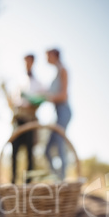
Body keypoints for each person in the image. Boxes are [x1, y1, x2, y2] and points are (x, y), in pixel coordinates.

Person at [7, 54, 43, 184]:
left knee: (29, 152)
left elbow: (40, 100)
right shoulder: (18, 80)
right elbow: (12, 100)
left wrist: (33, 101)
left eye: (29, 61)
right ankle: (13, 182)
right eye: (25, 61)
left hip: (30, 120)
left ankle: (28, 183)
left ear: (33, 62)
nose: (27, 64)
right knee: (14, 150)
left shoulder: (38, 83)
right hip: (18, 119)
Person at [44, 48, 71, 180]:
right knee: (47, 150)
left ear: (54, 55)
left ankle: (62, 179)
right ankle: (57, 178)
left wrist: (49, 98)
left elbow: (64, 95)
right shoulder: (56, 73)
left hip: (64, 111)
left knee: (60, 145)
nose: (46, 58)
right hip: (57, 113)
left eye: (47, 55)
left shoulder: (63, 70)